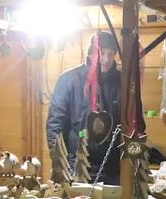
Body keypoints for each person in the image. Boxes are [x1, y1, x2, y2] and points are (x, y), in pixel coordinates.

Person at [46, 31, 121, 185]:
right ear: (91, 53)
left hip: (113, 171)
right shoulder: (69, 80)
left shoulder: (122, 82)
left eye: (110, 54)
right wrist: (60, 162)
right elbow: (55, 124)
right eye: (102, 53)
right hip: (76, 168)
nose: (106, 59)